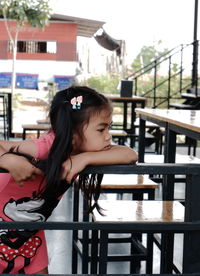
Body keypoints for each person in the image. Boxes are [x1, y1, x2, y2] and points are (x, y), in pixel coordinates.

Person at [0, 85, 138, 274]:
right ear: (74, 134)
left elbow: (130, 154)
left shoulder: (83, 152)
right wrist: (8, 159)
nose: (108, 137)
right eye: (101, 129)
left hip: (29, 233)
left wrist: (84, 158)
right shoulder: (43, 148)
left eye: (109, 127)